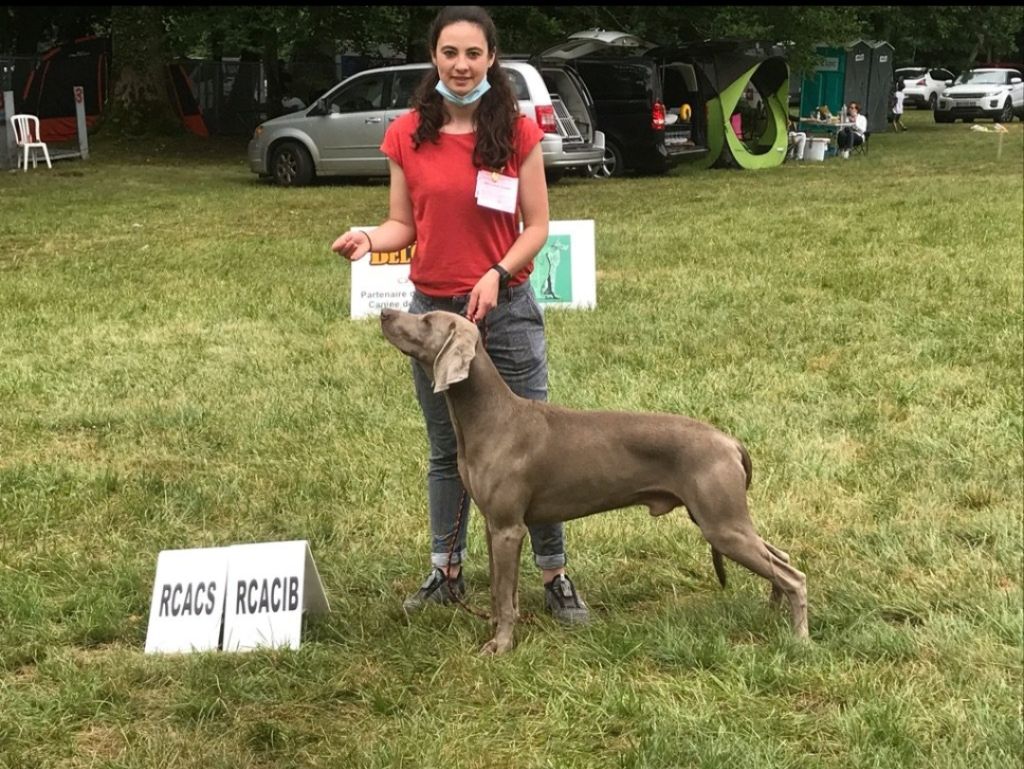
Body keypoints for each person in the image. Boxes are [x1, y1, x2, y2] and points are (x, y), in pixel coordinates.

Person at [331, 5, 589, 624]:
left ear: (491, 59)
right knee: (448, 449)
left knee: (535, 448)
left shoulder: (518, 130)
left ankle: (553, 574)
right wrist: (371, 236)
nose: (462, 65)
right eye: (450, 53)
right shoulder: (404, 135)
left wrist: (497, 276)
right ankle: (445, 570)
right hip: (434, 319)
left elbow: (538, 227)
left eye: (473, 54)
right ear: (434, 58)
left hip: (506, 310)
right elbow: (404, 224)